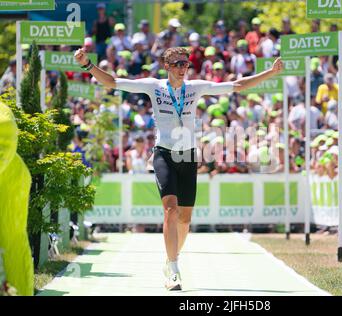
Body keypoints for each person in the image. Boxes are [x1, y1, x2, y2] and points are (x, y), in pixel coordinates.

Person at [74, 46, 283, 291]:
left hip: (188, 156)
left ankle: (171, 259)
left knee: (185, 220)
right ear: (167, 66)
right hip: (163, 153)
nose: (183, 68)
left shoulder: (195, 87)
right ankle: (173, 268)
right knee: (170, 211)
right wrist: (87, 64)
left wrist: (269, 73)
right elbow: (112, 82)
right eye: (177, 64)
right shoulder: (154, 86)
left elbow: (237, 85)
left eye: (185, 63)